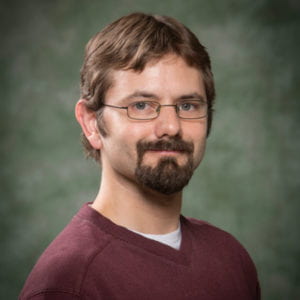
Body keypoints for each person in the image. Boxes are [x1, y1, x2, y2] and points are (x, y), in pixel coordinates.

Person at [19, 12, 260, 300]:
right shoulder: (68, 284)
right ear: (92, 123)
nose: (171, 126)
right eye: (142, 105)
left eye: (188, 105)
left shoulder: (231, 258)